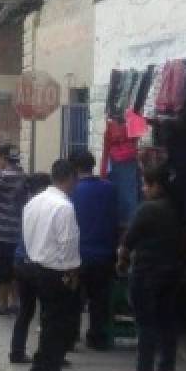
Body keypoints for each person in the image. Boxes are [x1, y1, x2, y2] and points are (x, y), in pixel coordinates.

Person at [116, 164, 186, 371]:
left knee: (145, 323)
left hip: (146, 273)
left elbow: (127, 242)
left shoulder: (148, 210)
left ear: (157, 185)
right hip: (173, 273)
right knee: (168, 321)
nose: (143, 188)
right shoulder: (179, 210)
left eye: (146, 184)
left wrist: (121, 262)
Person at [20, 159, 81, 371]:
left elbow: (27, 234)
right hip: (55, 270)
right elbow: (68, 244)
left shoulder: (34, 202)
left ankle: (40, 369)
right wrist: (72, 273)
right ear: (70, 178)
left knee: (47, 322)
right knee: (57, 325)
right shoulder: (63, 207)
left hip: (35, 265)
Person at [69, 149, 119, 351]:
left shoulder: (73, 191)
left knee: (73, 299)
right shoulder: (110, 188)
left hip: (78, 255)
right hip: (105, 253)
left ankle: (71, 337)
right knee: (100, 299)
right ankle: (97, 338)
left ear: (74, 168)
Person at [9, 172, 52, 364]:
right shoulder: (44, 207)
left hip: (21, 261)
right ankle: (47, 353)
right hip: (37, 263)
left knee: (26, 311)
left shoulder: (26, 205)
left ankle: (17, 351)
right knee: (47, 311)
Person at [0, 144, 26, 315]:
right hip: (17, 229)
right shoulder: (22, 175)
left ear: (3, 158)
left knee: (3, 269)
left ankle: (2, 304)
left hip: (2, 230)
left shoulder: (3, 177)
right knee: (14, 267)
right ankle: (15, 301)